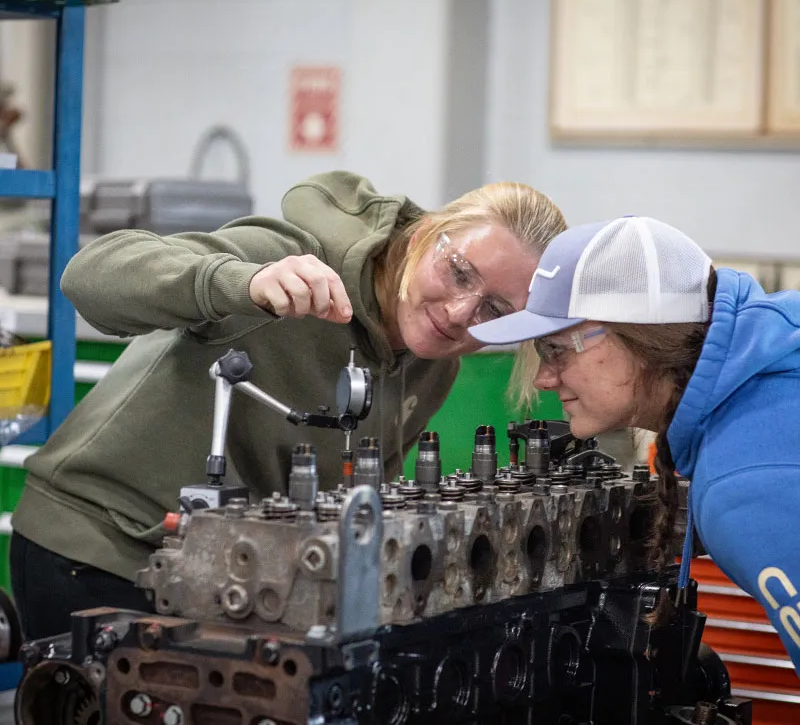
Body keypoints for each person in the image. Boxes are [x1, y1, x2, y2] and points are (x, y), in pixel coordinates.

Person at [10, 170, 566, 639]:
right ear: (426, 234)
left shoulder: (434, 367)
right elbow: (90, 276)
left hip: (228, 576)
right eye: (459, 273)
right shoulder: (290, 260)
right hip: (99, 552)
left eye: (495, 310)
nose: (461, 311)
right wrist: (239, 282)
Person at [469, 215, 800, 672]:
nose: (544, 378)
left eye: (556, 348)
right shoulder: (778, 348)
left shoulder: (743, 488)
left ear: (639, 337)